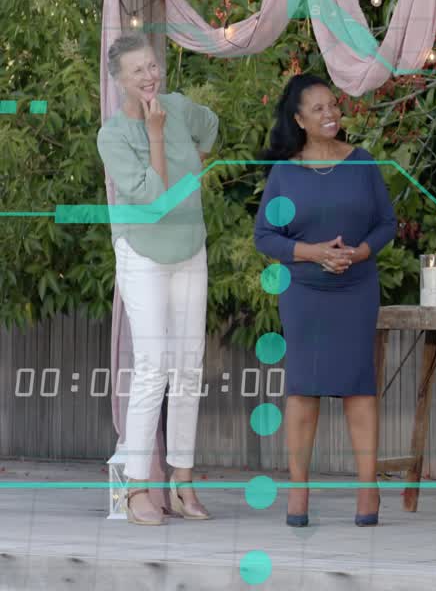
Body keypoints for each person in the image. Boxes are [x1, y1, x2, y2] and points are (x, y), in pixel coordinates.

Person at [253, 73, 397, 528]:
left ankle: (368, 487)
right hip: (304, 292)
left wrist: (360, 253)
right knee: (303, 387)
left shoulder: (362, 162)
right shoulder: (285, 172)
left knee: (358, 385)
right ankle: (298, 490)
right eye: (317, 108)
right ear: (299, 120)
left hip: (356, 288)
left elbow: (386, 223)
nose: (330, 113)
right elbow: (265, 236)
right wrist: (314, 253)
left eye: (332, 104)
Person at [97, 33, 218, 526]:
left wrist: (191, 155)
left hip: (189, 247)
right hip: (143, 252)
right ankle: (136, 486)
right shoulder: (113, 135)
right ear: (119, 81)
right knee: (153, 366)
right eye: (137, 71)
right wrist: (154, 134)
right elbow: (154, 197)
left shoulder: (178, 108)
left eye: (151, 65)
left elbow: (210, 130)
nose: (149, 76)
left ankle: (182, 480)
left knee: (189, 366)